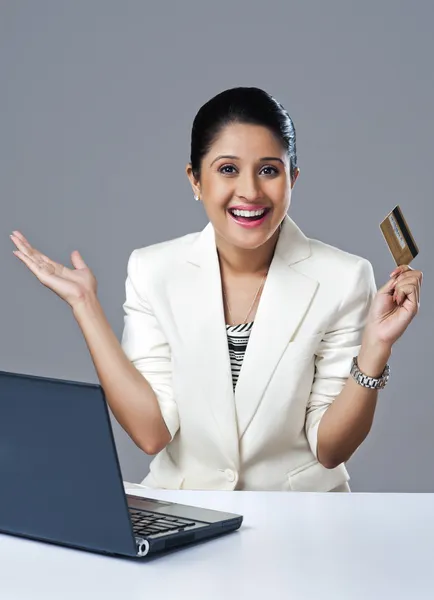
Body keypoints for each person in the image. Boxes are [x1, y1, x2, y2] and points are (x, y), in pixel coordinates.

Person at [10, 87, 423, 492]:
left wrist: (375, 349)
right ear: (195, 180)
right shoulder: (153, 270)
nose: (250, 191)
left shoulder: (344, 277)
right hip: (186, 512)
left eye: (269, 170)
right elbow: (151, 433)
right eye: (228, 169)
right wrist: (85, 305)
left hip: (300, 521)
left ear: (292, 178)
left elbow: (330, 449)